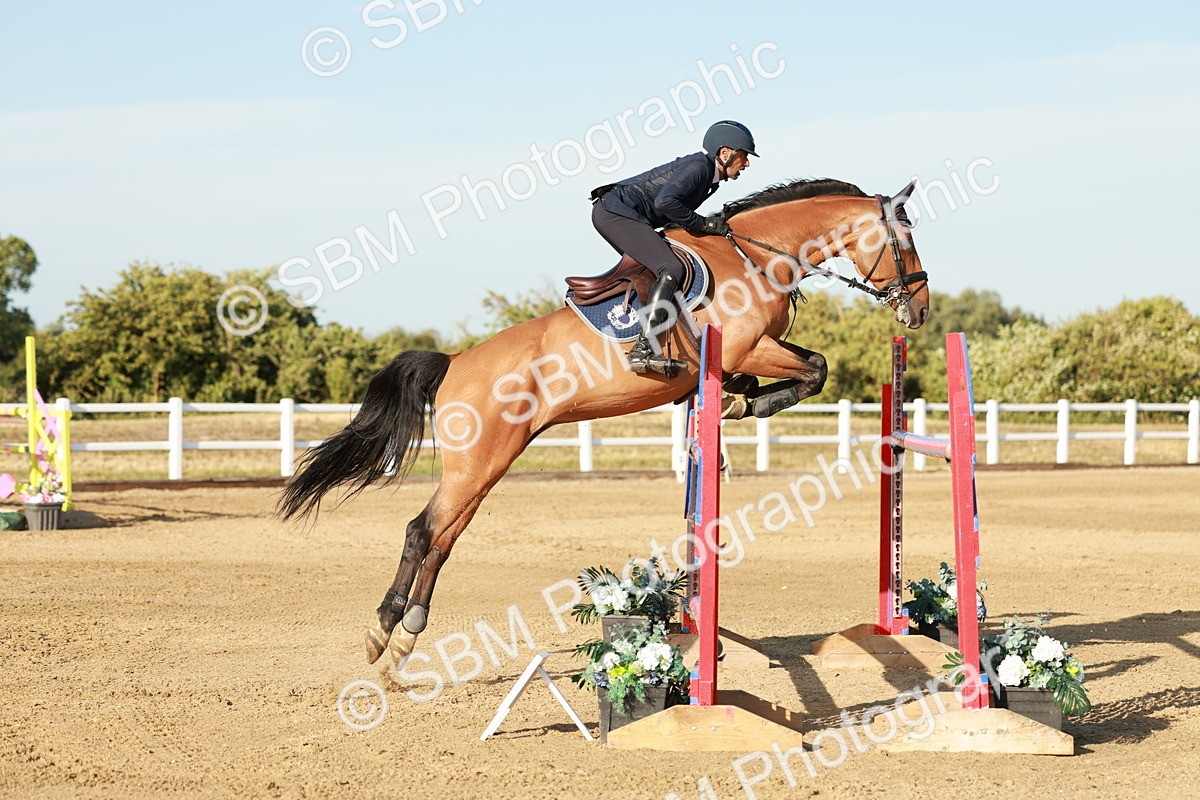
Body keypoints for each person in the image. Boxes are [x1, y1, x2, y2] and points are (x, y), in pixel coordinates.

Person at [589, 120, 758, 377]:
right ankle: (643, 349)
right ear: (725, 153)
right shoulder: (700, 167)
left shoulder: (709, 178)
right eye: (744, 156)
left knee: (661, 270)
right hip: (615, 213)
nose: (746, 164)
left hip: (623, 214)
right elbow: (665, 203)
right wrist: (703, 223)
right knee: (671, 268)